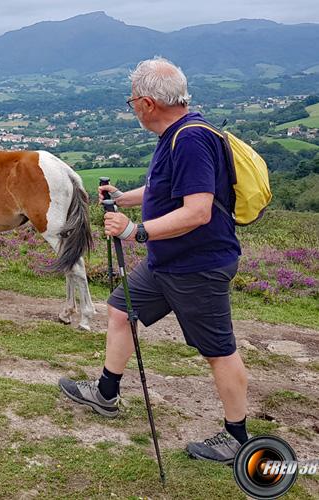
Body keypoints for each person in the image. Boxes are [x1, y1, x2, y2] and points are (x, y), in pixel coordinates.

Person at [58, 57, 248, 464]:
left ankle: (237, 438)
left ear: (146, 103)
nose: (132, 109)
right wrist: (124, 198)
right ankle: (106, 394)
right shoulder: (175, 134)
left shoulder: (192, 139)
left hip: (197, 265)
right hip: (166, 262)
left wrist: (136, 231)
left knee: (218, 350)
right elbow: (165, 188)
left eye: (131, 102)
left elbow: (198, 211)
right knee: (120, 311)